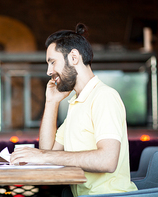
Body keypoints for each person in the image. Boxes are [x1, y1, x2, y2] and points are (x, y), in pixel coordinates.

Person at [10, 23, 138, 196]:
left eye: (52, 62)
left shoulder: (104, 96)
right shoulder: (77, 103)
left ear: (74, 57)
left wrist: (43, 156)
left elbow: (107, 160)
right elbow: (49, 151)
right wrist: (51, 102)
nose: (49, 71)